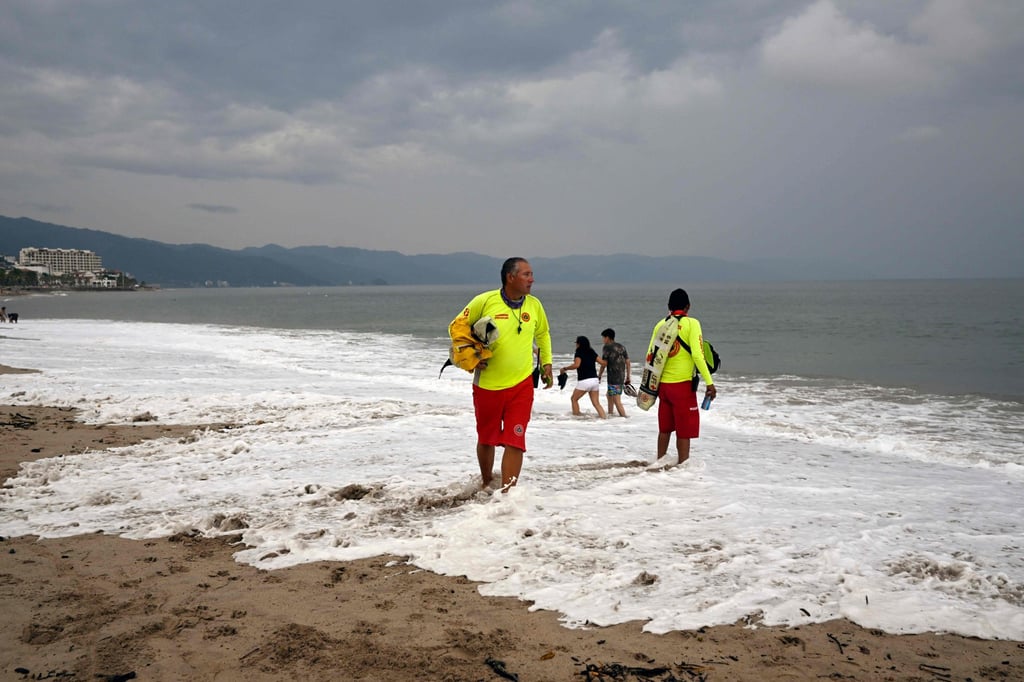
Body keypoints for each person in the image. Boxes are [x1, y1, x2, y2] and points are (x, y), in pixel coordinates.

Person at [450, 257, 553, 491]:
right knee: (487, 439)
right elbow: (456, 326)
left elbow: (543, 333)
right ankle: (487, 483)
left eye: (531, 274)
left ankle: (508, 496)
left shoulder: (534, 305)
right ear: (511, 277)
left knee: (515, 440)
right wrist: (470, 356)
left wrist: (546, 363)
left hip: (522, 384)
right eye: (527, 274)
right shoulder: (485, 301)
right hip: (488, 385)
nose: (532, 279)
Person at [647, 288, 717, 467]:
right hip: (683, 387)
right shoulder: (692, 324)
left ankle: (658, 462)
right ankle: (683, 470)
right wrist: (710, 383)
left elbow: (650, 356)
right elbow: (697, 355)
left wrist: (649, 387)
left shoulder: (660, 324)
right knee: (683, 431)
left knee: (665, 429)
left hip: (663, 387)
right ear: (688, 306)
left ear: (669, 306)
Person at [558, 336, 607, 419]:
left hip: (585, 381)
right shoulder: (591, 352)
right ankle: (604, 419)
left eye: (576, 343)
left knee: (574, 399)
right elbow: (603, 363)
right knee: (596, 403)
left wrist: (565, 368)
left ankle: (576, 418)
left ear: (579, 344)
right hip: (594, 380)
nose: (576, 345)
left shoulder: (579, 353)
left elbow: (576, 365)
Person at [597, 328, 631, 417]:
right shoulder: (621, 346)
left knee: (616, 400)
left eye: (603, 338)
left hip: (613, 377)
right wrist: (628, 376)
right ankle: (610, 414)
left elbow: (604, 364)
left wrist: (599, 375)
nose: (603, 340)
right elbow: (627, 361)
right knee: (609, 395)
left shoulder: (607, 347)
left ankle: (625, 418)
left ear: (607, 338)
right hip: (621, 375)